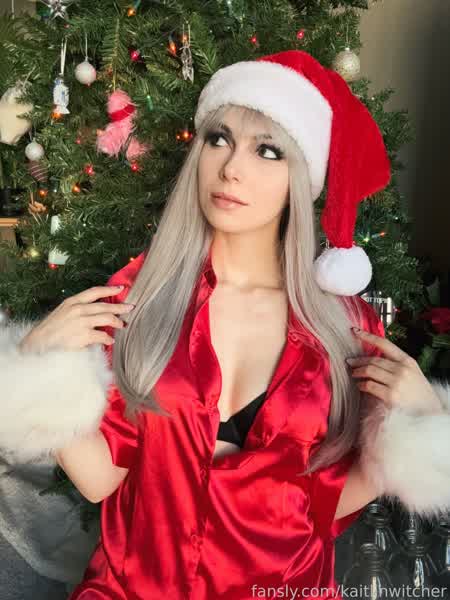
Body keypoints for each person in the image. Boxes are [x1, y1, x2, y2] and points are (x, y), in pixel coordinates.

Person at [1, 50, 449, 600]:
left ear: (300, 177)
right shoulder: (140, 296)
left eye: (267, 150)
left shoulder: (344, 327)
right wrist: (38, 368)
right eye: (219, 139)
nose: (232, 167)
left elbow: (329, 502)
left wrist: (420, 427)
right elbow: (100, 479)